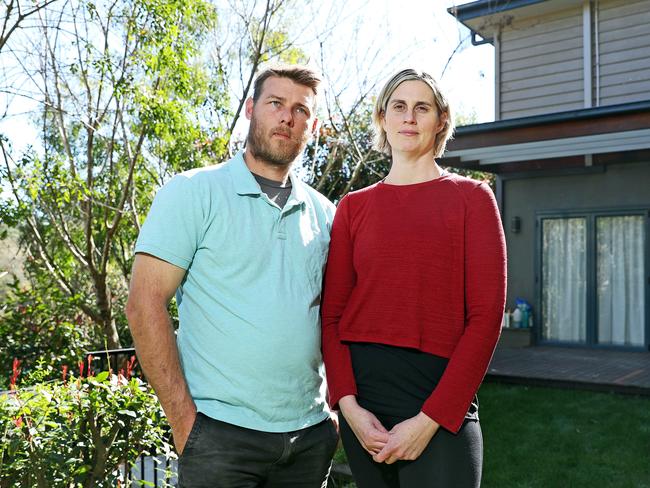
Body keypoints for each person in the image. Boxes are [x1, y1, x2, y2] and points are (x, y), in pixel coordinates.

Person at [126, 64, 338, 488]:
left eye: (300, 110)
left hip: (308, 438)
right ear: (250, 109)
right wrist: (184, 422)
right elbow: (143, 303)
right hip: (219, 435)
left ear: (311, 127)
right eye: (275, 103)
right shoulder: (193, 192)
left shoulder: (325, 214)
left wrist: (331, 412)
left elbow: (332, 316)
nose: (286, 117)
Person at [321, 68, 507, 488]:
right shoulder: (353, 207)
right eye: (399, 107)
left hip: (438, 402)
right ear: (382, 117)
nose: (409, 117)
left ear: (440, 120)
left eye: (421, 107)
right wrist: (347, 406)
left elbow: (485, 318)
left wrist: (430, 420)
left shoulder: (472, 199)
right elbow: (331, 316)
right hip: (363, 409)